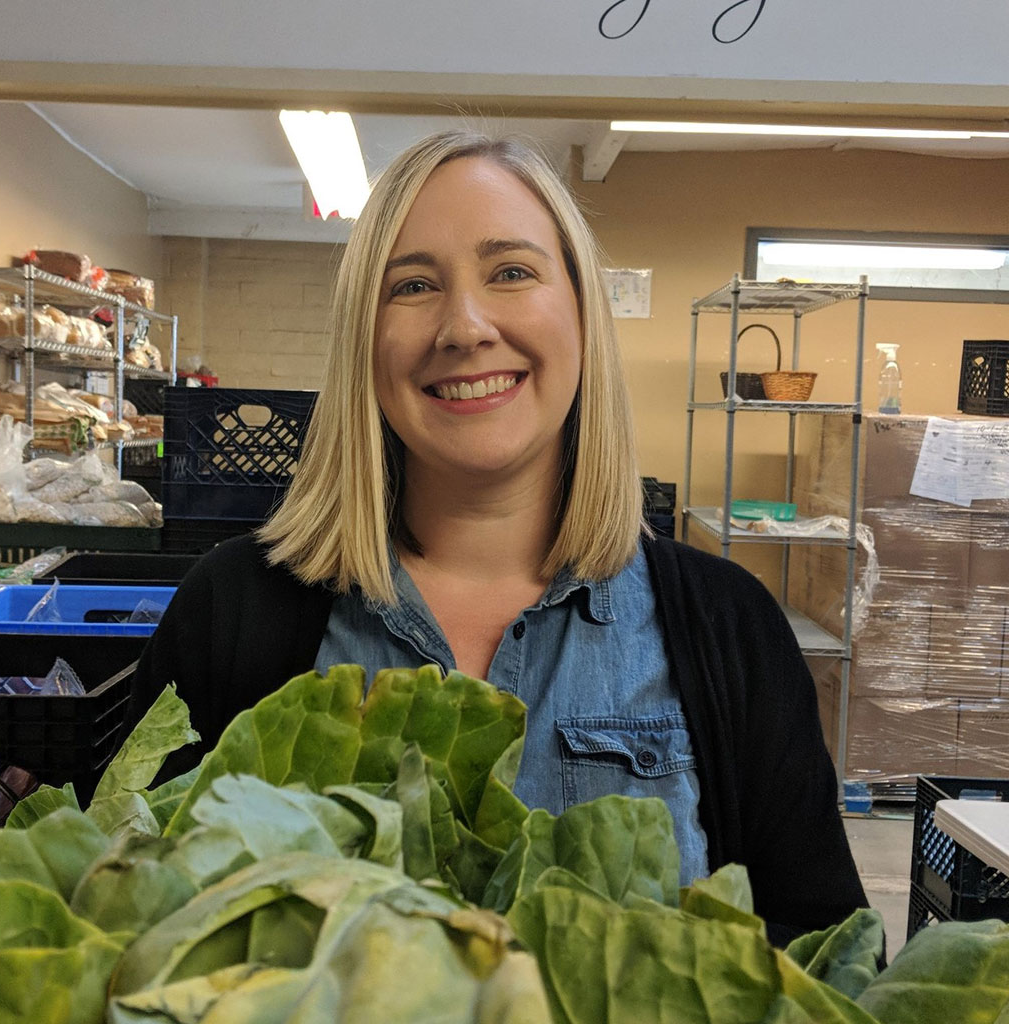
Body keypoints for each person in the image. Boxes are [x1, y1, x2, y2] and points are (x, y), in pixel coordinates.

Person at [127, 129, 868, 945]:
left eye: (511, 272)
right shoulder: (231, 609)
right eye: (411, 285)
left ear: (582, 313)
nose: (465, 326)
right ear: (363, 341)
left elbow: (818, 956)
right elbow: (138, 922)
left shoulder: (730, 628)